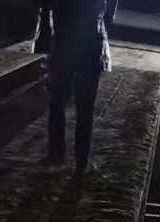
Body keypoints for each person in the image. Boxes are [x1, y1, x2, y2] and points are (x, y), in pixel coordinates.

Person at [37, 0, 111, 175]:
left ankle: (56, 156)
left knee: (57, 103)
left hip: (62, 45)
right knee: (85, 107)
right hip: (90, 46)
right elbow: (106, 12)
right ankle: (81, 162)